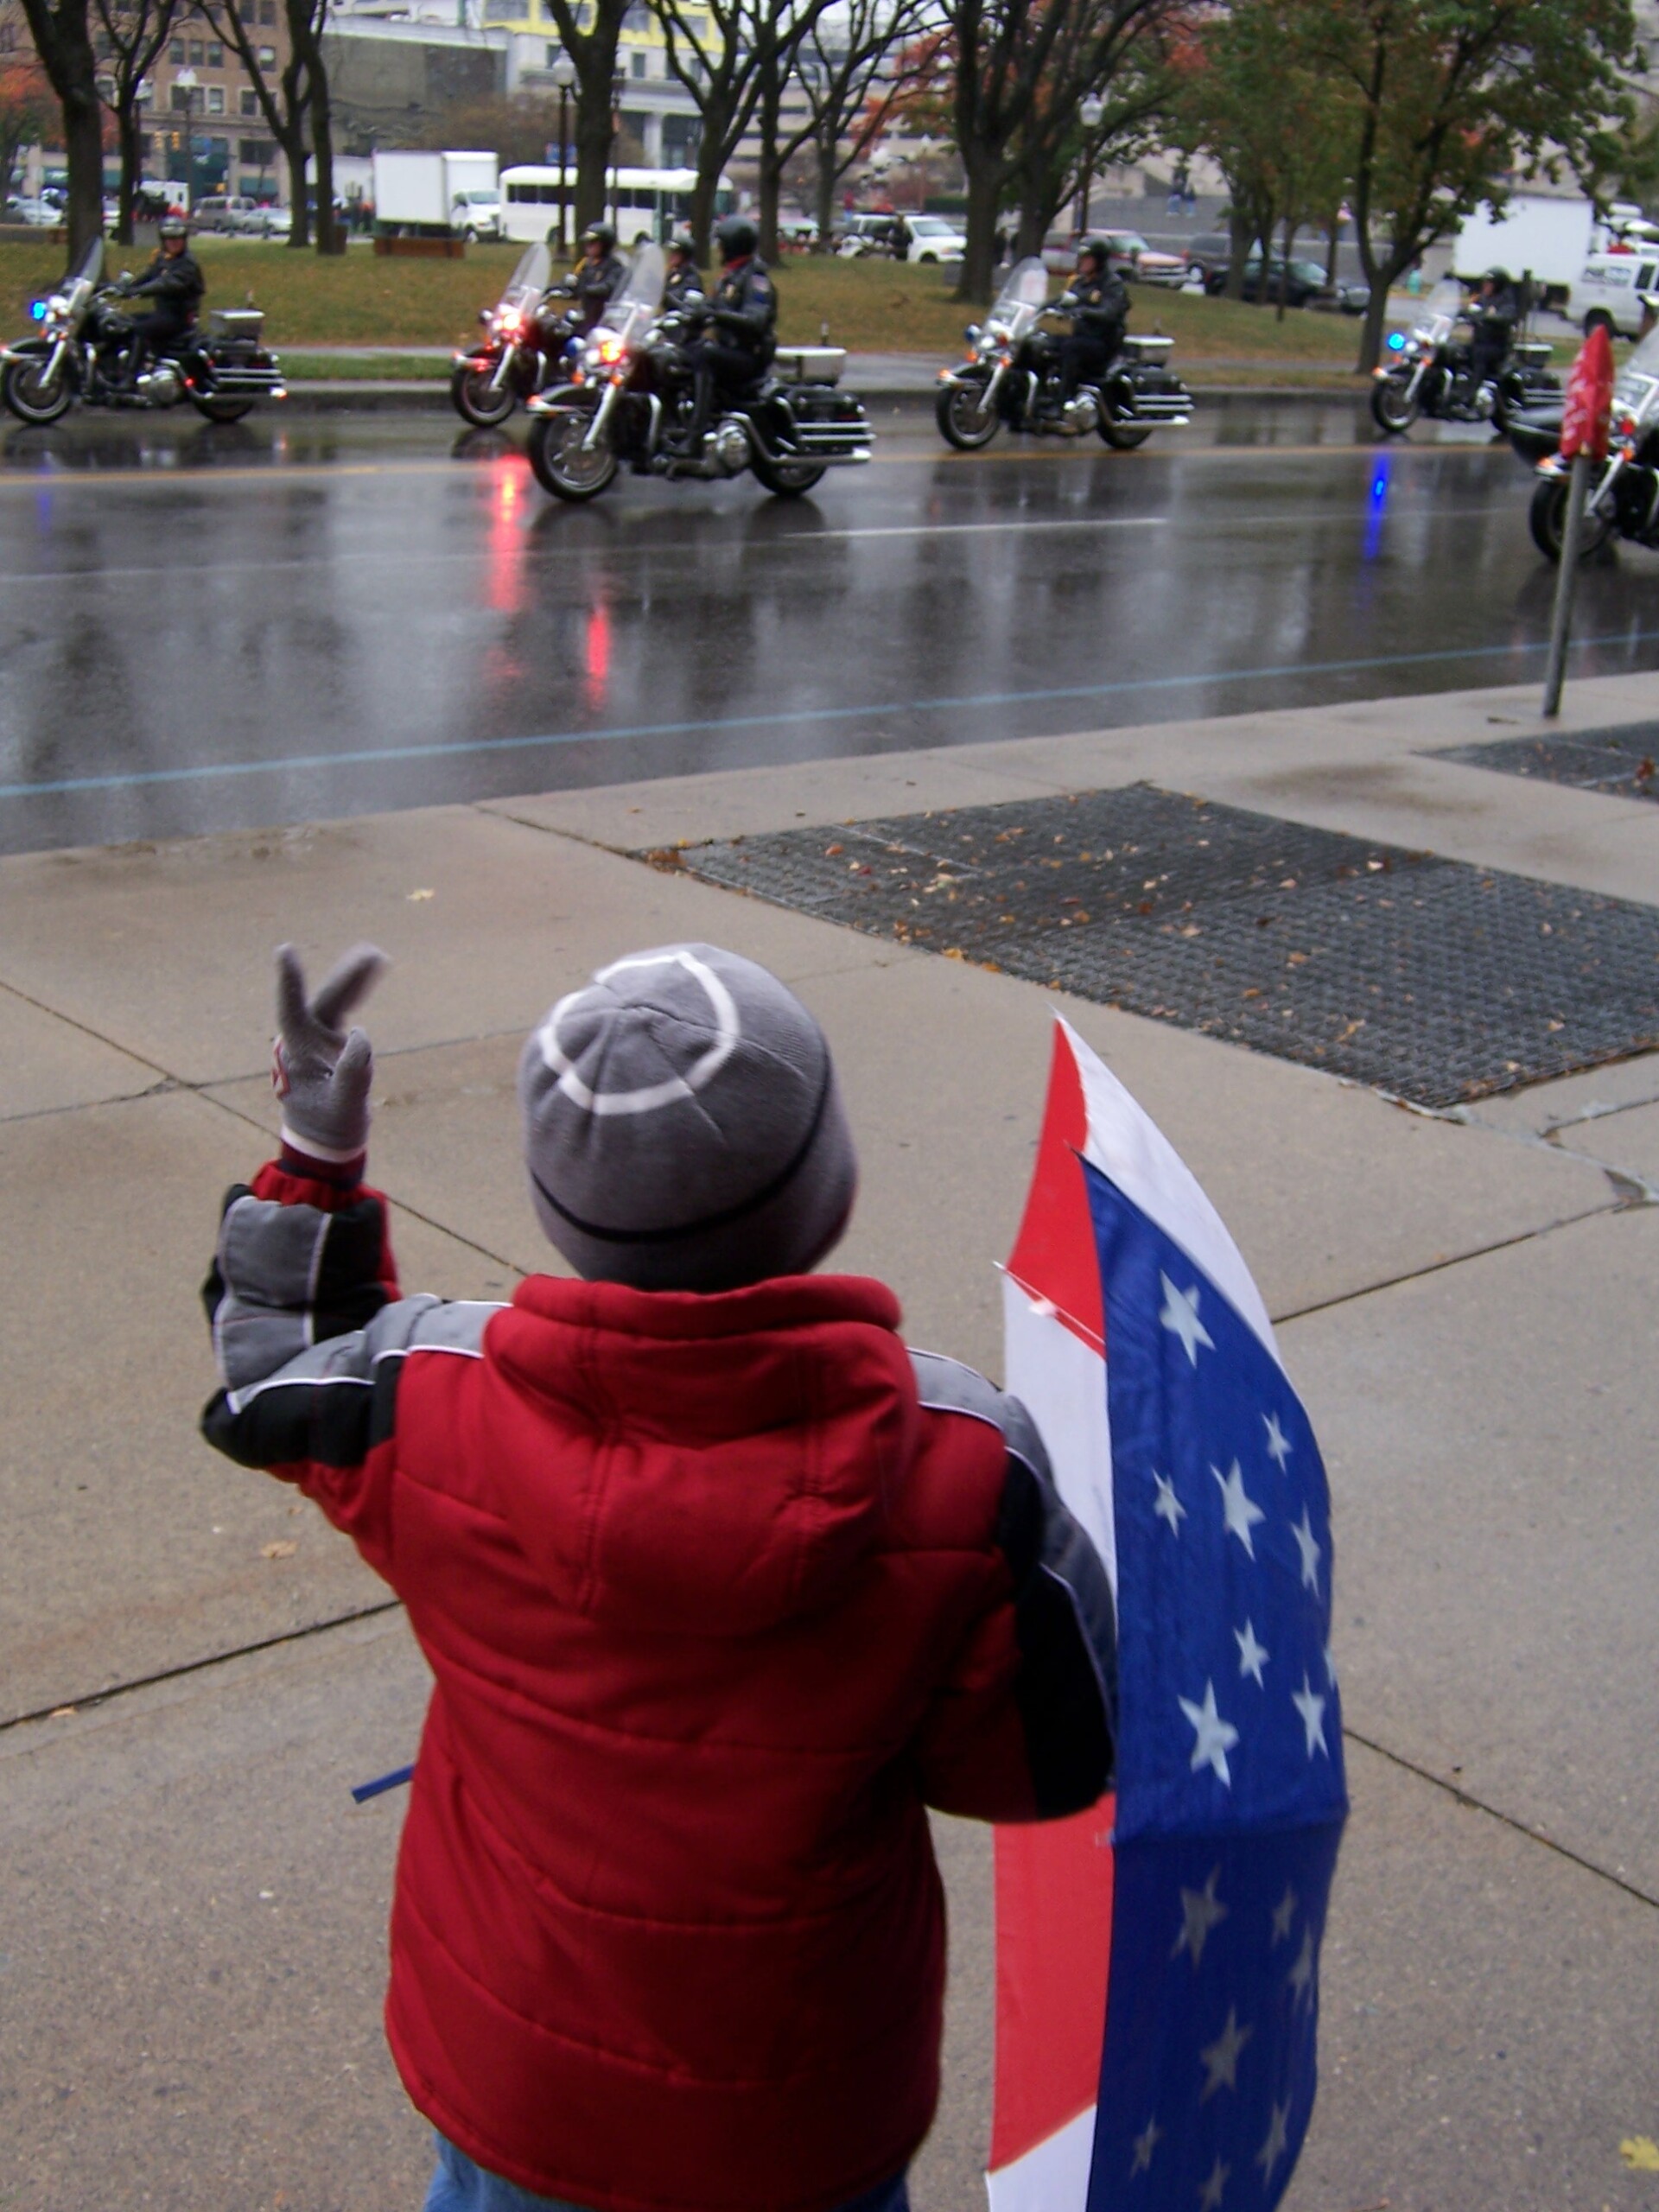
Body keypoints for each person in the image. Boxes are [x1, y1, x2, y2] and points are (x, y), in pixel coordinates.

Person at [200, 940, 1116, 2212]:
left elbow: (271, 1377)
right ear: (828, 1188)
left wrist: (315, 1146)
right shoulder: (965, 1463)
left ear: (561, 1204)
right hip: (800, 2118)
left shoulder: (430, 1401)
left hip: (522, 2089)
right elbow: (1045, 1759)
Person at [681, 213, 777, 445]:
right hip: (727, 350)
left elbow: (756, 320)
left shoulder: (755, 279)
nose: (719, 249)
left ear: (734, 245)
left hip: (747, 355)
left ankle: (695, 435)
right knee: (677, 354)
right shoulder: (729, 277)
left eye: (722, 244)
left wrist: (715, 316)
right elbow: (710, 307)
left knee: (704, 355)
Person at [119, 213, 204, 383]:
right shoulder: (163, 259)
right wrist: (123, 288)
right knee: (124, 323)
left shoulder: (187, 264)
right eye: (169, 238)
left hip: (178, 317)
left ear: (184, 239)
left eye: (178, 238)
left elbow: (164, 284)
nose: (174, 242)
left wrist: (139, 292)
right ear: (163, 240)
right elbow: (149, 276)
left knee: (140, 330)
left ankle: (129, 378)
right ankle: (120, 368)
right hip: (163, 313)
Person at [1052, 235, 1128, 409]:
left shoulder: (1112, 284)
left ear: (1099, 260)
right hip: (1082, 337)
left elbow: (1110, 312)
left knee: (1072, 348)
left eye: (1087, 258)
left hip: (1103, 342)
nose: (1082, 262)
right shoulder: (1079, 283)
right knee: (1043, 344)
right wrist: (1037, 307)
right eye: (1081, 258)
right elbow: (1063, 300)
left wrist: (1082, 312)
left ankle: (1064, 401)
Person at [1465, 265, 1518, 397]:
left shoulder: (1506, 302)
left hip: (1495, 347)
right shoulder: (1483, 299)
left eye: (1489, 284)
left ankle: (1471, 396)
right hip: (1479, 343)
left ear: (1498, 285)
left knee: (1480, 355)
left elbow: (1505, 316)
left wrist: (1492, 317)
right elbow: (1472, 310)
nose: (1485, 286)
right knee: (1454, 352)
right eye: (1485, 283)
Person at [569, 221, 626, 330]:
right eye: (587, 242)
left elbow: (609, 286)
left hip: (605, 321)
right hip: (587, 317)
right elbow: (575, 280)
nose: (588, 246)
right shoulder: (585, 263)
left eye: (593, 242)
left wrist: (586, 289)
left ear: (605, 245)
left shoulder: (615, 266)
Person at [662, 223, 705, 308]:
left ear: (685, 255)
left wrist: (665, 295)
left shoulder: (691, 277)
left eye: (676, 253)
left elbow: (686, 304)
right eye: (672, 252)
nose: (671, 256)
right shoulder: (673, 274)